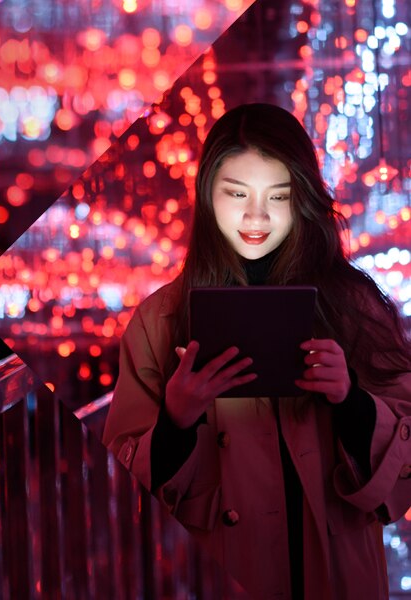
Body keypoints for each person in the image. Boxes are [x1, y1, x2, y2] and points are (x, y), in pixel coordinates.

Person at [101, 103, 411, 600]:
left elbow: (406, 438)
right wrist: (176, 423)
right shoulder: (158, 321)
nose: (256, 216)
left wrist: (350, 400)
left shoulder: (352, 305)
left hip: (339, 576)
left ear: (303, 199)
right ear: (207, 197)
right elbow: (117, 478)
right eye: (237, 194)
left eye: (279, 196)